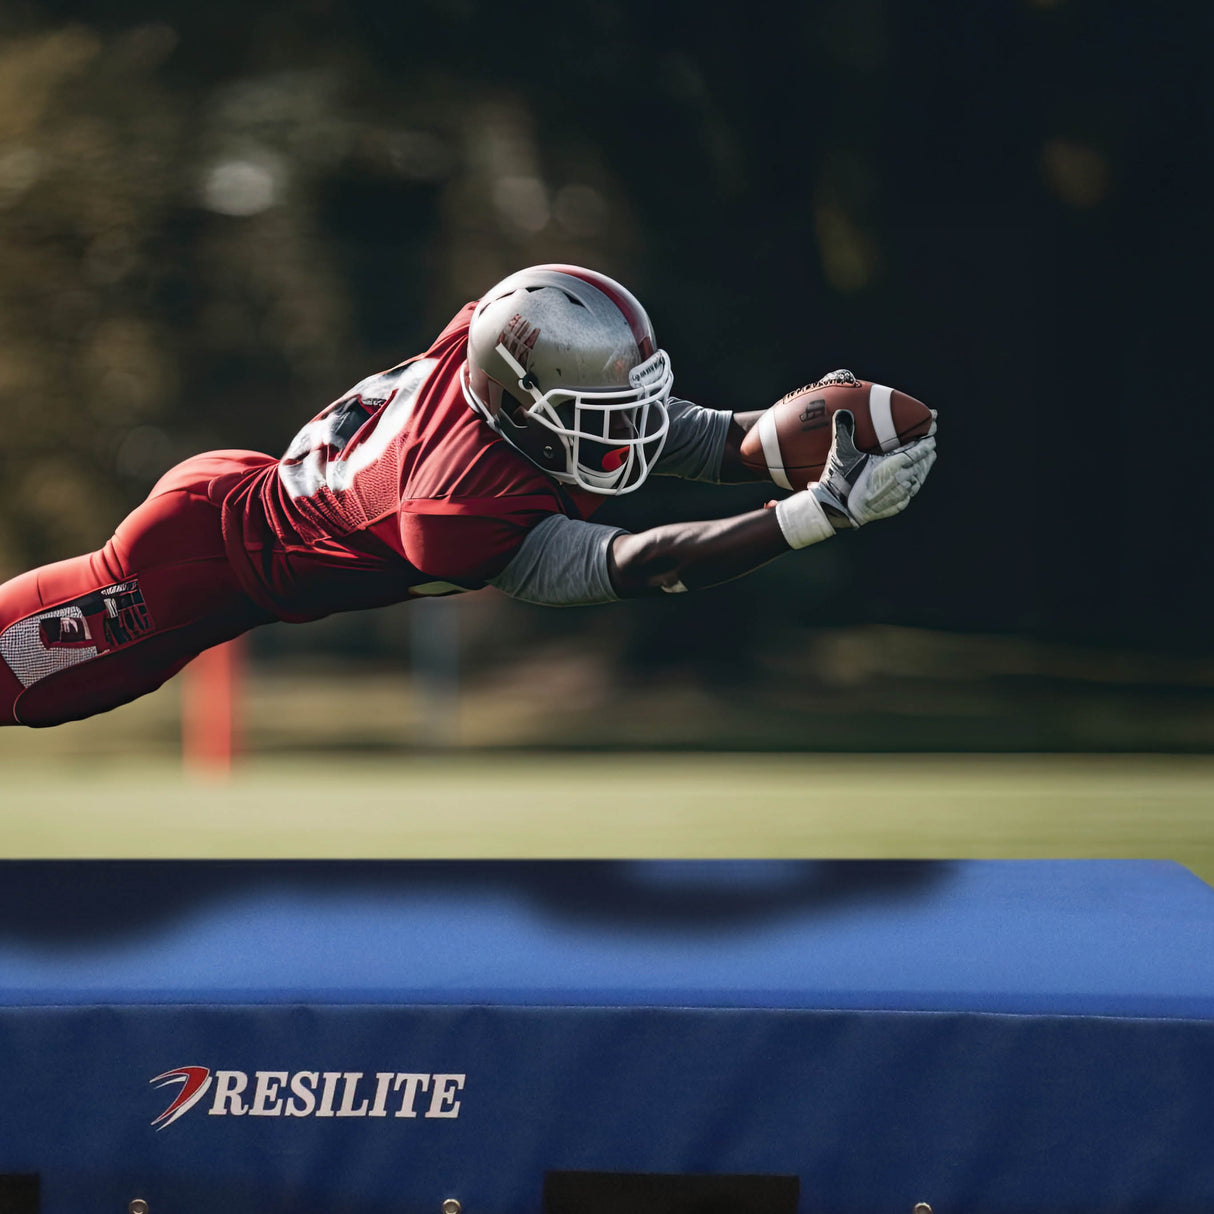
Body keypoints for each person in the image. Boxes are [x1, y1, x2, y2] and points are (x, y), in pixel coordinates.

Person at [0, 264, 936, 727]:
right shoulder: (447, 510)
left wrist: (812, 429)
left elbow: (700, 437)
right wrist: (822, 513)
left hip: (245, 493)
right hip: (190, 568)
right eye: (600, 410)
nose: (629, 430)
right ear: (524, 403)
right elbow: (637, 566)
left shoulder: (499, 345)